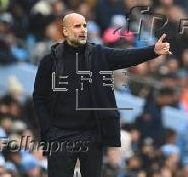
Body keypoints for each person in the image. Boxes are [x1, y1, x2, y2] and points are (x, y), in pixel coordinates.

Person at [32, 13, 172, 177]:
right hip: (60, 135)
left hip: (92, 135)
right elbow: (40, 97)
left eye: (84, 25)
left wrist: (153, 51)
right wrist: (48, 130)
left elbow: (127, 57)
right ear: (65, 31)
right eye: (77, 26)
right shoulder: (49, 61)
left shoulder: (97, 54)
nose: (83, 29)